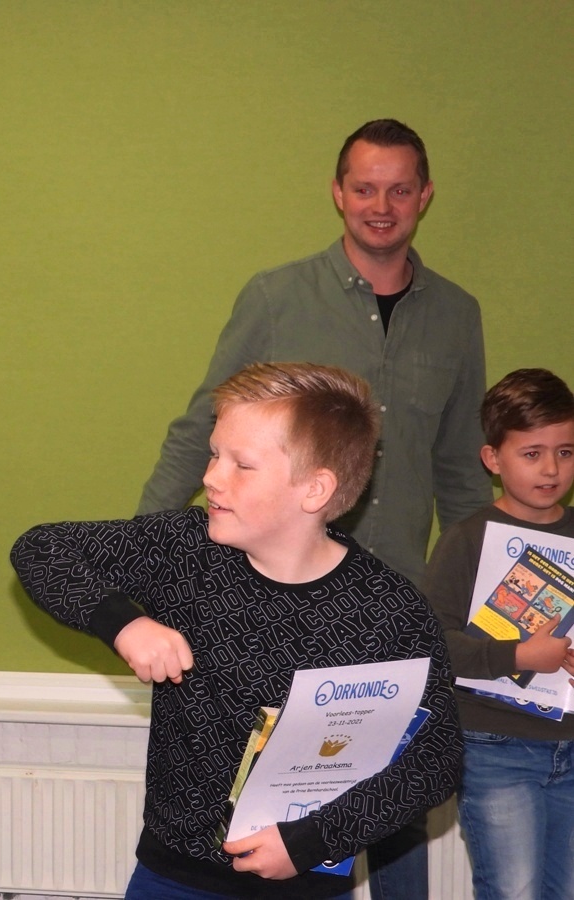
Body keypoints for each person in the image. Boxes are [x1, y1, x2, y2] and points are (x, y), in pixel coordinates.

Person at [136, 118, 491, 898]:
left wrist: (482, 614)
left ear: (424, 197)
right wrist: (147, 555)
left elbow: (461, 472)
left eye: (398, 190)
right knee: (272, 819)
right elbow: (202, 427)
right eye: (364, 188)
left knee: (396, 808)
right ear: (337, 193)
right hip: (277, 603)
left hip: (394, 613)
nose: (380, 205)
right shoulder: (274, 296)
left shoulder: (456, 314)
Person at [12, 362, 461, 900]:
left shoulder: (388, 609)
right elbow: (41, 550)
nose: (211, 477)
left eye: (242, 465)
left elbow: (436, 758)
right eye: (214, 454)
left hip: (306, 883)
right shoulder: (185, 550)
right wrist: (125, 624)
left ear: (315, 489)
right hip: (172, 878)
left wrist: (314, 840)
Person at [422, 368, 574, 900]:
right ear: (493, 459)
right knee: (514, 891)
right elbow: (434, 644)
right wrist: (521, 655)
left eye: (565, 452)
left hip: (571, 745)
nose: (551, 468)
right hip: (495, 748)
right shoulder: (467, 539)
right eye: (532, 453)